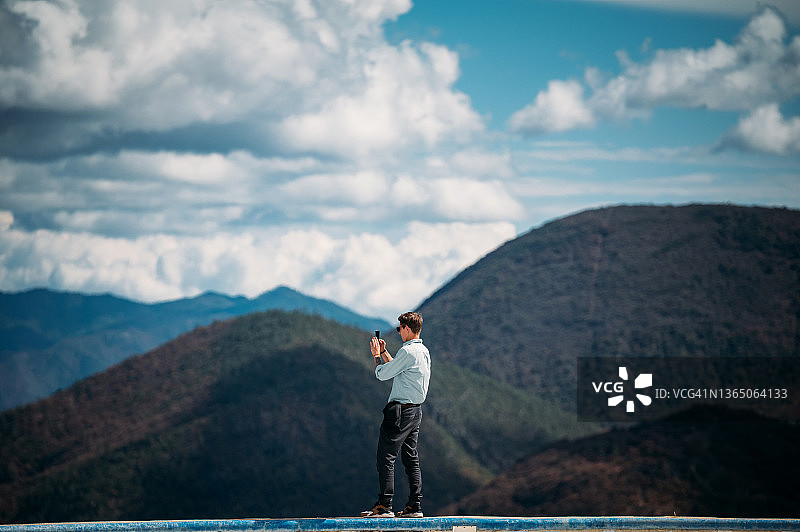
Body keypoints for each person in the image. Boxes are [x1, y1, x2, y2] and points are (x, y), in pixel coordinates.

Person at [361, 311, 431, 518]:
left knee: (386, 457)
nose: (399, 332)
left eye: (400, 328)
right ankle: (415, 506)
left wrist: (376, 355)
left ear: (407, 328)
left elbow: (383, 374)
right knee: (411, 458)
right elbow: (399, 370)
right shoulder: (423, 351)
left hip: (399, 412)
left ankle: (384, 505)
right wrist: (385, 353)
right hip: (415, 411)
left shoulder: (407, 351)